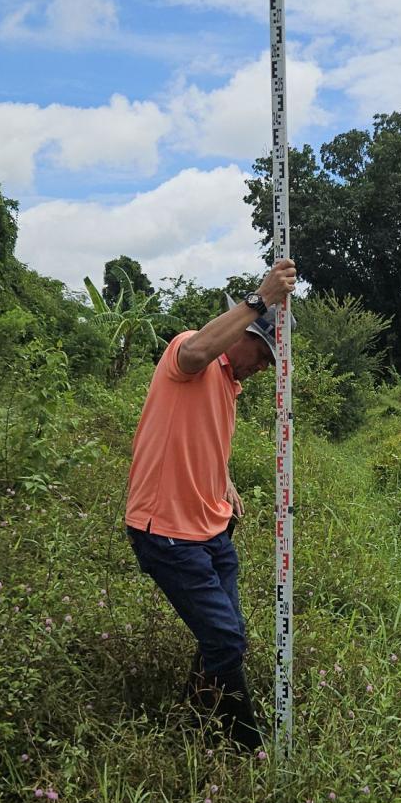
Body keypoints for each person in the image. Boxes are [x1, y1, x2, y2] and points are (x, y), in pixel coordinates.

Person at [124, 259, 296, 749]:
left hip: (211, 529)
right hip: (167, 532)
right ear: (243, 333)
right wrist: (260, 298)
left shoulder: (230, 386)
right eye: (262, 356)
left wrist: (223, 478)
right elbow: (199, 351)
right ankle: (247, 746)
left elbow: (197, 439)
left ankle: (192, 714)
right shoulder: (188, 351)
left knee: (228, 631)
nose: (263, 369)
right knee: (226, 639)